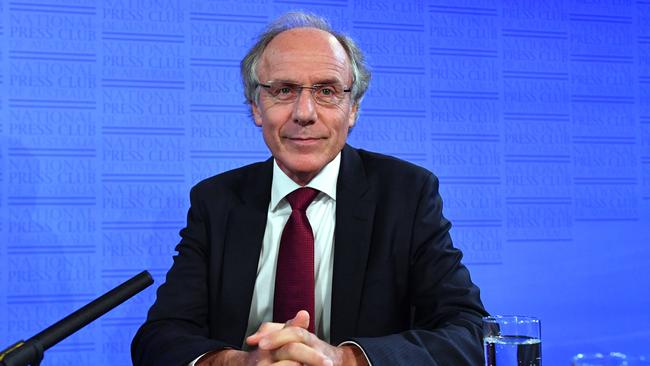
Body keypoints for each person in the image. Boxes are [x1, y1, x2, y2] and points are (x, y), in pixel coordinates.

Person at [131, 12, 488, 366]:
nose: (304, 113)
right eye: (283, 90)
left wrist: (346, 360)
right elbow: (160, 337)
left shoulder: (406, 195)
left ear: (353, 109)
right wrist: (238, 364)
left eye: (327, 91)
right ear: (256, 106)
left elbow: (470, 332)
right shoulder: (216, 201)